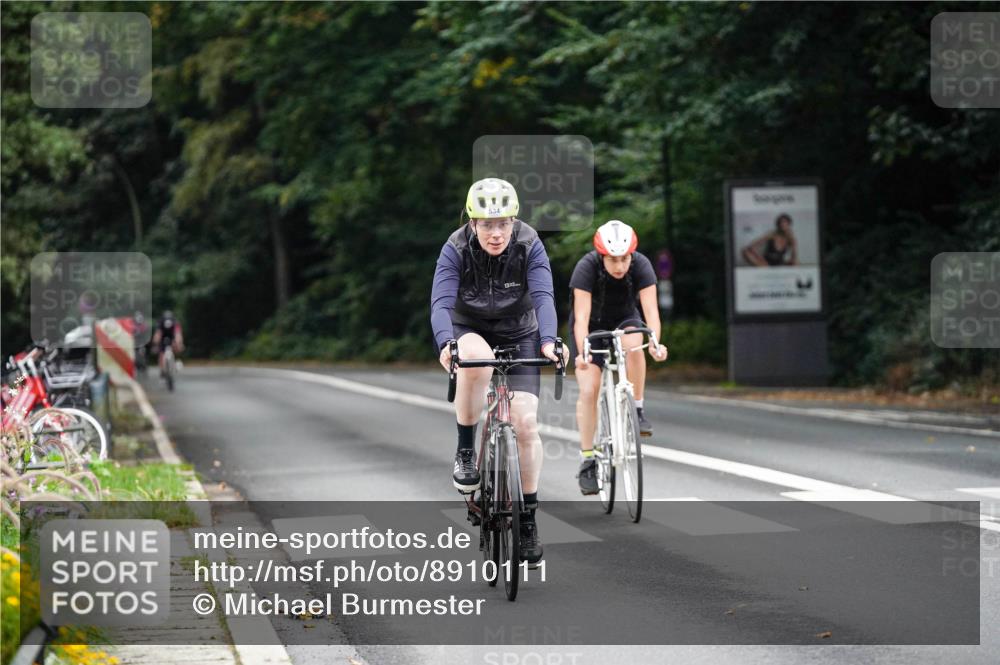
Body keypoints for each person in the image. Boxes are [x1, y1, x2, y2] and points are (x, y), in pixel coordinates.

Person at [430, 177, 565, 564]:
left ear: (513, 221)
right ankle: (465, 450)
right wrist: (446, 343)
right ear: (472, 223)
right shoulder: (456, 247)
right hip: (468, 328)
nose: (495, 233)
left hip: (520, 332)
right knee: (478, 358)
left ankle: (528, 520)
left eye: (503, 223)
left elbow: (544, 297)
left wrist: (549, 341)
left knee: (525, 424)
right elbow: (440, 303)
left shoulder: (529, 243)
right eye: (487, 225)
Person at [569, 220, 668, 495]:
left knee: (634, 344)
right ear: (602, 255)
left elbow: (651, 313)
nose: (620, 266)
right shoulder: (586, 267)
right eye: (613, 260)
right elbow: (581, 318)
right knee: (588, 389)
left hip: (625, 318)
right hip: (591, 326)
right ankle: (588, 459)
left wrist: (655, 343)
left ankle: (637, 408)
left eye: (625, 259)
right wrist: (583, 353)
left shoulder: (642, 265)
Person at [151, 310, 184, 375]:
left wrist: (179, 344)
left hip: (172, 337)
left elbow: (178, 334)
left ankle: (175, 362)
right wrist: (155, 344)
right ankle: (162, 368)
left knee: (176, 347)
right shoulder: (160, 323)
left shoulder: (175, 323)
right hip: (163, 338)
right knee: (161, 352)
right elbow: (157, 334)